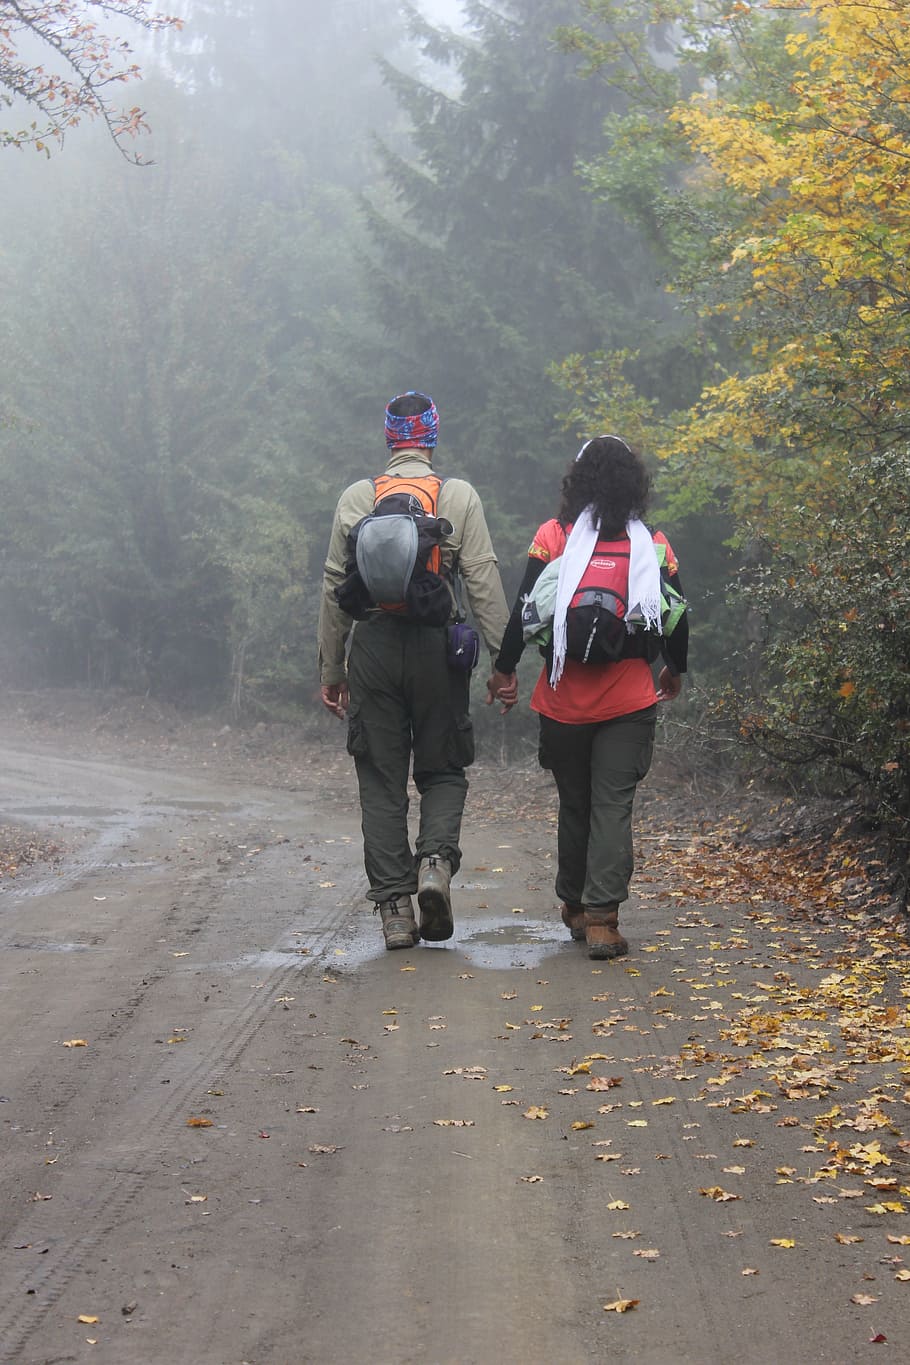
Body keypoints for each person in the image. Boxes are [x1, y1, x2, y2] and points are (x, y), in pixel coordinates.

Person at [318, 391, 515, 951]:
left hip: (374, 646)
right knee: (444, 767)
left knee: (381, 780)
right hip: (437, 647)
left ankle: (396, 912)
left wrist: (334, 668)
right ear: (431, 437)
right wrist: (502, 666)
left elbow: (336, 589)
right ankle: (433, 865)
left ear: (389, 438)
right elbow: (481, 581)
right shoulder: (456, 495)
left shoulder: (357, 497)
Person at [486, 434, 688, 960]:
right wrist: (673, 670)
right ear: (634, 484)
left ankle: (575, 906)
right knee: (612, 808)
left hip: (561, 701)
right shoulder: (654, 544)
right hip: (629, 699)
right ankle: (602, 920)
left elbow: (525, 610)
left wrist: (503, 671)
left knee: (575, 804)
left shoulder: (554, 537)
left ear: (576, 482)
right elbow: (678, 615)